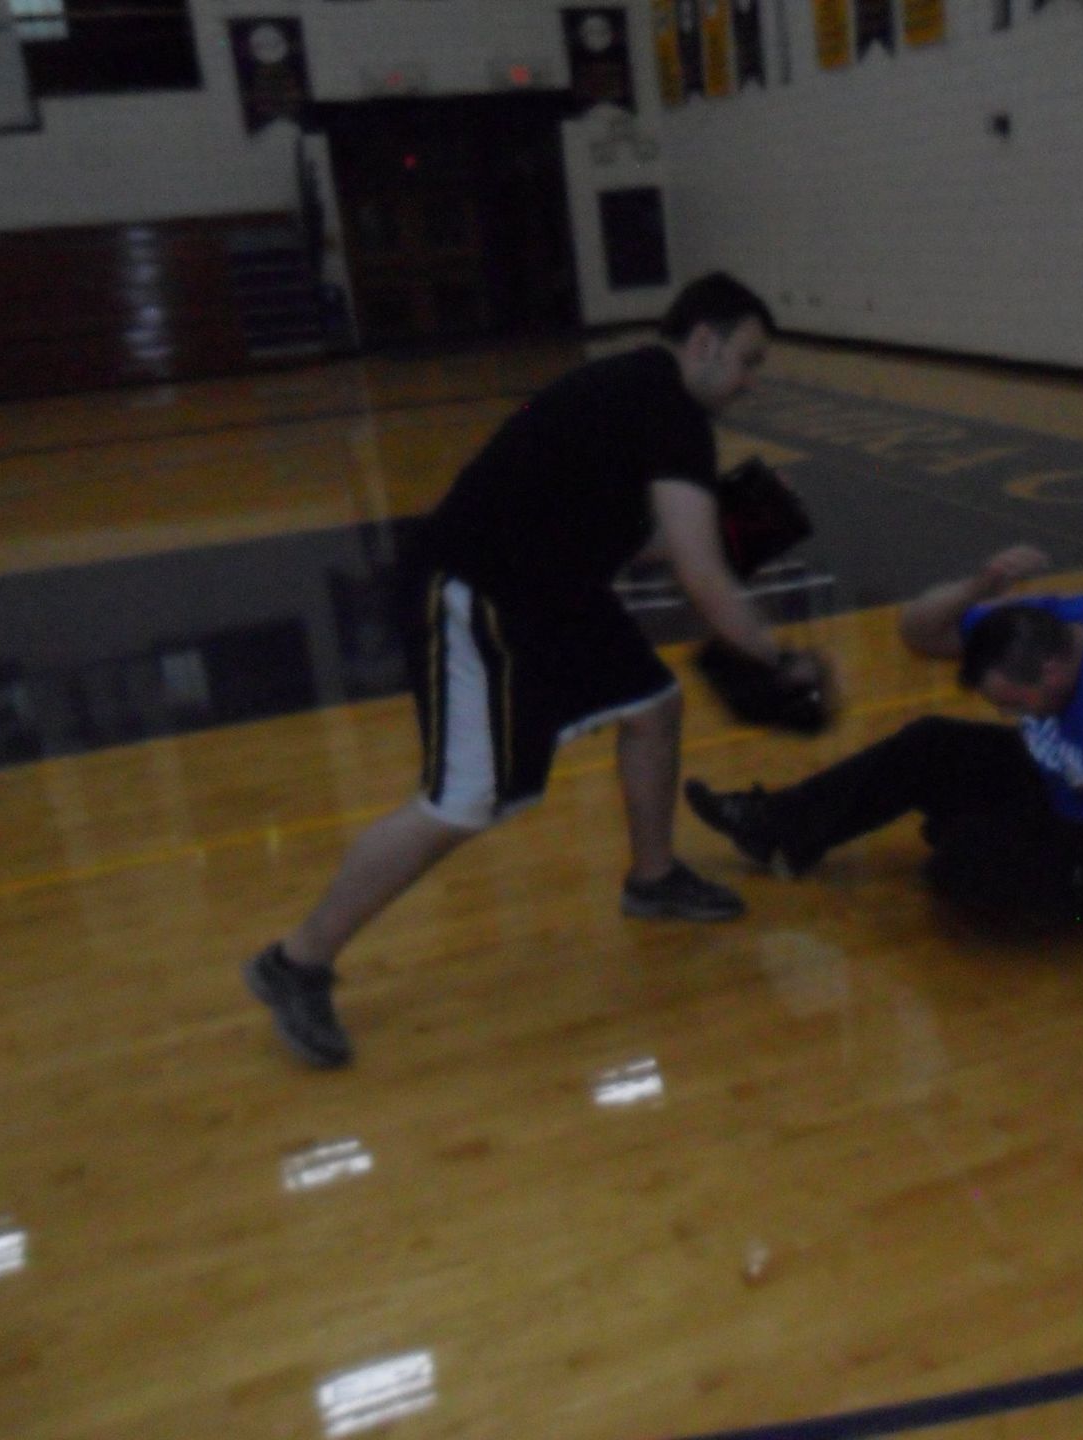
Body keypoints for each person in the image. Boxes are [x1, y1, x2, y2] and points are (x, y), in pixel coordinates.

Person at [247, 272, 826, 1068]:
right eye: (748, 359)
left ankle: (652, 880)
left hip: (553, 587)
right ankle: (295, 961)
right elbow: (698, 572)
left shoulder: (641, 396)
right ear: (704, 341)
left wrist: (747, 518)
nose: (752, 380)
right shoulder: (667, 411)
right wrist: (776, 655)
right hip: (477, 591)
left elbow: (637, 544)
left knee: (653, 705)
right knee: (466, 801)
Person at [684, 546, 1083, 1026]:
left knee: (966, 869)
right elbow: (917, 631)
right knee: (931, 742)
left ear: (1050, 674)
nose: (1003, 713)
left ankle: (1080, 897)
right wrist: (980, 585)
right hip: (1071, 786)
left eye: (1011, 704)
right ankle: (778, 828)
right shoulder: (1050, 624)